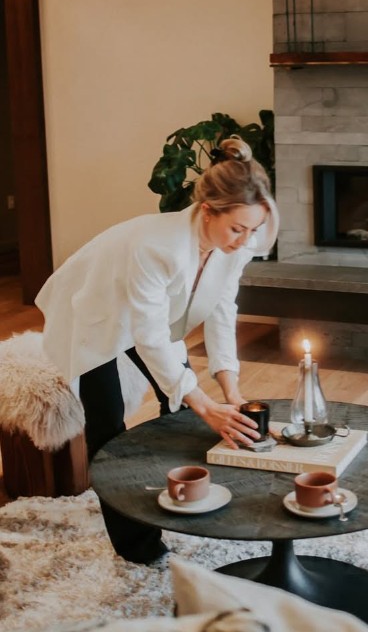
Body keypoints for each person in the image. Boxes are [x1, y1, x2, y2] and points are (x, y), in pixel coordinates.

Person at [35, 135, 279, 564]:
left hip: (150, 311)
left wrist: (232, 392)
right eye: (237, 228)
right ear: (207, 211)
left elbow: (223, 309)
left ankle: (189, 502)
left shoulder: (235, 244)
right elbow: (149, 336)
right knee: (108, 427)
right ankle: (137, 547)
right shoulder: (155, 247)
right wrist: (205, 403)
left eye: (254, 230)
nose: (245, 240)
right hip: (96, 310)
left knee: (183, 407)